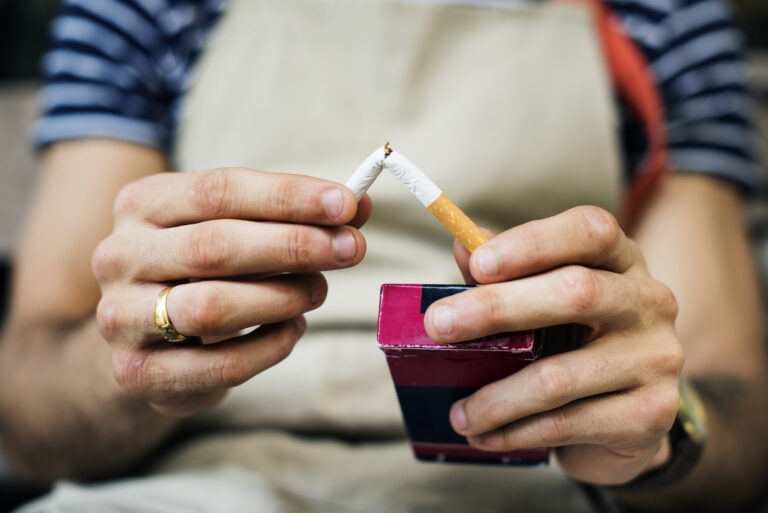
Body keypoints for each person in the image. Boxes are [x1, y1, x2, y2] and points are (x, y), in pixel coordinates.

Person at [0, 0, 766, 511]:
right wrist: (134, 360)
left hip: (541, 485)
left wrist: (664, 426)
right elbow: (30, 419)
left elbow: (742, 427)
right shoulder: (144, 9)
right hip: (196, 480)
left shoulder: (661, 15)